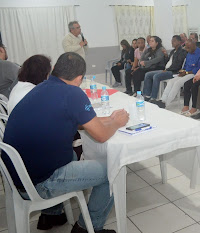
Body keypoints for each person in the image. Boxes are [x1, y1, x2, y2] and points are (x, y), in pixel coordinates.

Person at [1, 52, 129, 233]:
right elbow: (101, 136)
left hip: (19, 176)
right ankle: (88, 228)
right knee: (115, 168)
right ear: (79, 78)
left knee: (71, 154)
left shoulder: (39, 87)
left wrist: (108, 118)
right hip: (40, 183)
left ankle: (52, 213)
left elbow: (76, 119)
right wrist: (117, 123)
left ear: (54, 70)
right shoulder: (73, 93)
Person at [155, 39, 200, 108]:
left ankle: (166, 103)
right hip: (186, 73)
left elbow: (199, 68)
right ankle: (162, 100)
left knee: (177, 83)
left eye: (188, 47)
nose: (187, 49)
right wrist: (182, 70)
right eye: (186, 47)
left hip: (194, 74)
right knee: (171, 81)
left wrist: (187, 72)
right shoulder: (189, 53)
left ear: (194, 45)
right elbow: (185, 65)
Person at [143, 35, 187, 101]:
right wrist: (166, 56)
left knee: (156, 76)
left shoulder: (182, 52)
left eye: (174, 41)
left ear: (179, 42)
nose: (172, 42)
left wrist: (167, 70)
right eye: (172, 40)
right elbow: (167, 63)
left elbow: (177, 66)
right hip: (167, 70)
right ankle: (147, 95)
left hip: (174, 72)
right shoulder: (172, 51)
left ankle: (153, 97)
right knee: (148, 74)